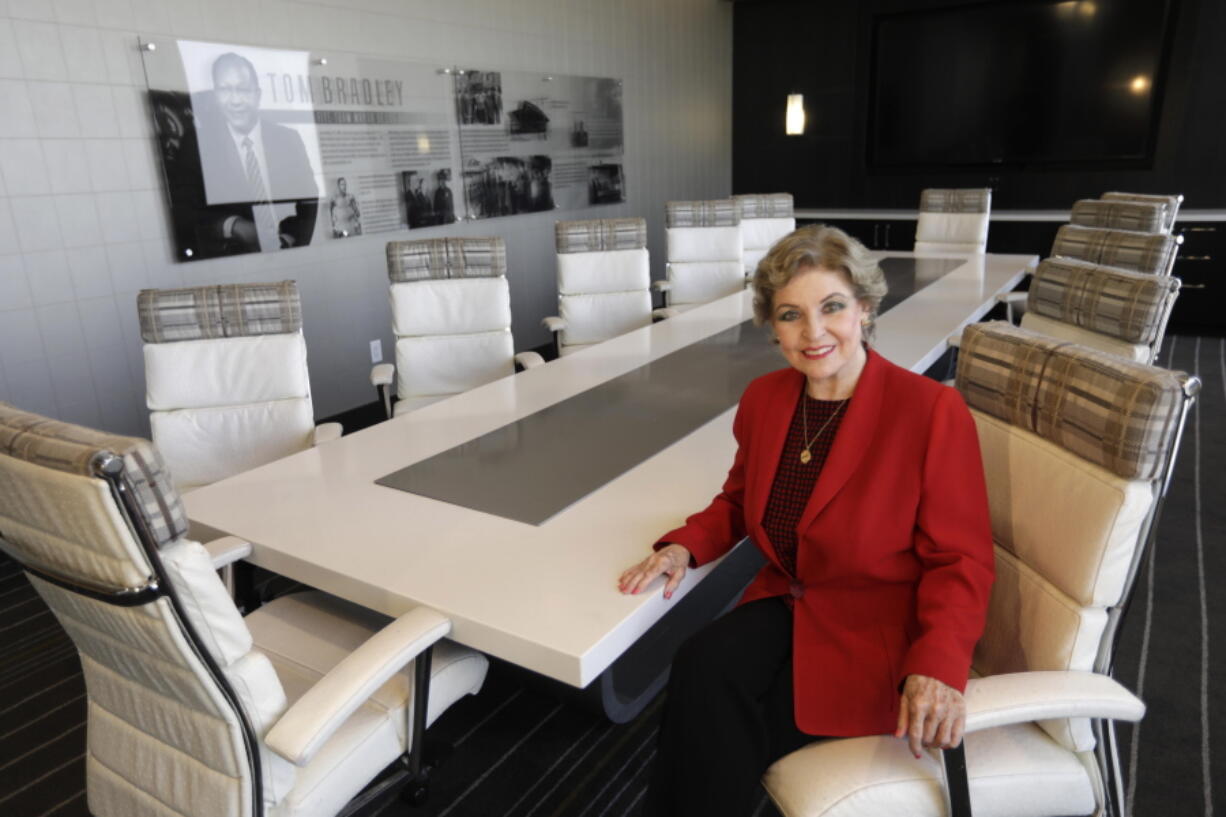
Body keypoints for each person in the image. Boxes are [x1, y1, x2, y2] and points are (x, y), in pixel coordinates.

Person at [618, 225, 995, 817]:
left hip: (875, 625)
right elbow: (740, 501)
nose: (813, 332)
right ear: (772, 326)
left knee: (734, 730)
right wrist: (685, 547)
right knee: (701, 665)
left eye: (833, 307)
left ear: (865, 309)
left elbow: (962, 560)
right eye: (791, 315)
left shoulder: (929, 412)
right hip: (790, 599)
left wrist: (938, 666)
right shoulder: (766, 399)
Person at [182, 51, 319, 256]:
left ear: (257, 95)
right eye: (225, 90)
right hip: (230, 257)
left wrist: (290, 239)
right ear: (216, 94)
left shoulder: (288, 139)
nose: (235, 100)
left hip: (289, 249)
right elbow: (184, 210)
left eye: (243, 90)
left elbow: (309, 199)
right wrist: (233, 225)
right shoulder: (197, 143)